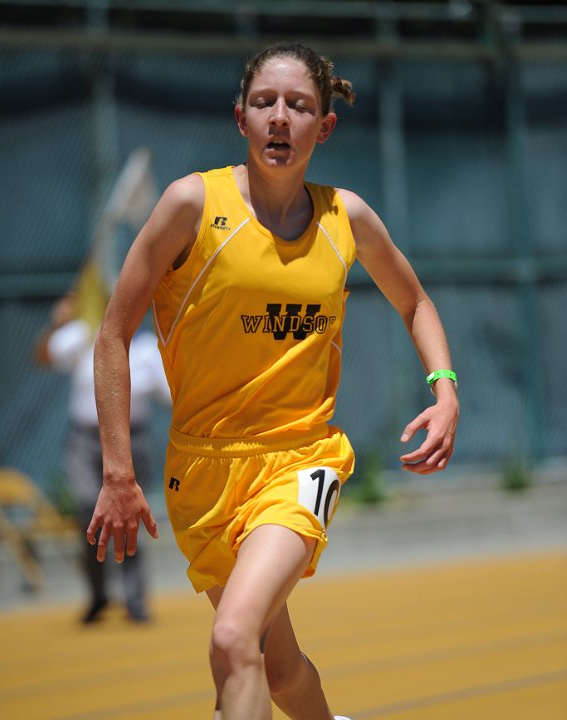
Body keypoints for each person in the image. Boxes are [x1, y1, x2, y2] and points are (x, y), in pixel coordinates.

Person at [87, 42, 459, 719]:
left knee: (231, 640)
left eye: (299, 105)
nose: (280, 118)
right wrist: (118, 470)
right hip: (199, 476)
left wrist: (444, 387)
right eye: (265, 103)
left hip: (299, 463)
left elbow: (414, 302)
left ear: (325, 126)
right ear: (240, 118)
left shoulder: (346, 218)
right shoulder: (190, 207)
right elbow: (111, 334)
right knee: (278, 667)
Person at [35, 292, 170, 623]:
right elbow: (42, 357)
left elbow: (172, 396)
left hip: (130, 441)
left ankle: (135, 599)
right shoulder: (84, 335)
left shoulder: (147, 349)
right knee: (87, 512)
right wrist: (56, 322)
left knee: (130, 515)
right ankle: (97, 596)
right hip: (85, 441)